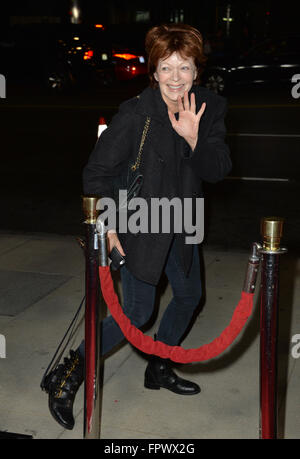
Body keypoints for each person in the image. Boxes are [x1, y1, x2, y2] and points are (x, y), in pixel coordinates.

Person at [46, 23, 232, 430]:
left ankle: (158, 366)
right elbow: (96, 173)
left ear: (197, 72)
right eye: (167, 68)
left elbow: (218, 170)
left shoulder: (209, 109)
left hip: (183, 226)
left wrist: (196, 139)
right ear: (154, 71)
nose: (176, 78)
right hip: (138, 226)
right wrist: (109, 229)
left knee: (188, 298)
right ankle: (68, 375)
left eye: (185, 68)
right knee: (134, 316)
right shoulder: (136, 114)